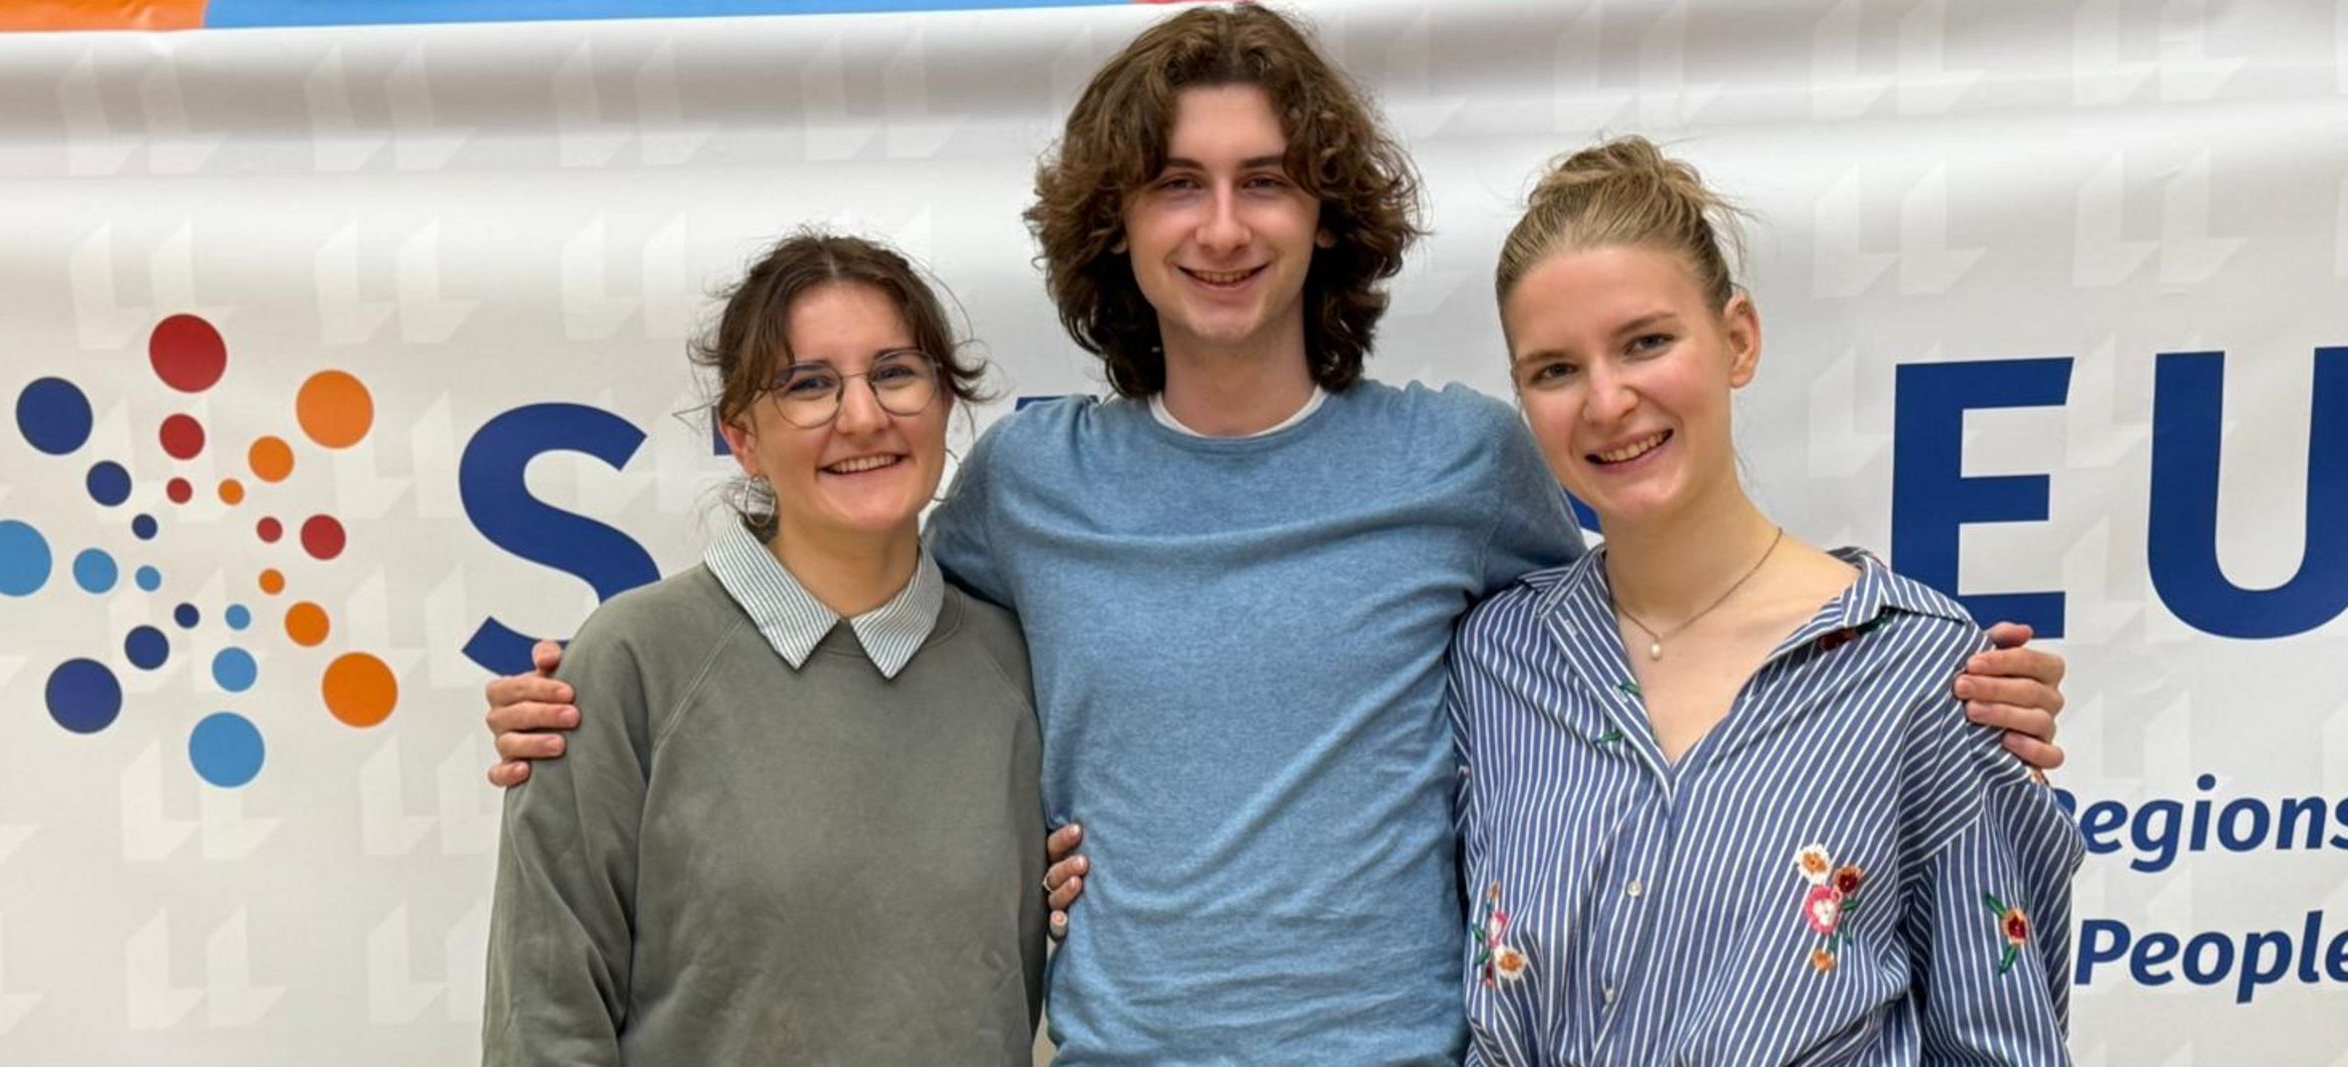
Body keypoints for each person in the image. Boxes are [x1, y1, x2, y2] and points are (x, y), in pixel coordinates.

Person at [481, 7, 2072, 1065]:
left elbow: (1663, 594)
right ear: (1121, 227)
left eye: (1263, 181)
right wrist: (599, 693)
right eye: (1177, 184)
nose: (1223, 225)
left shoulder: (1457, 459)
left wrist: (1908, 675)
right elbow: (846, 596)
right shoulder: (1033, 484)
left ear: (1329, 216)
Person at [1449, 138, 2079, 1064]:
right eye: (1555, 369)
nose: (1607, 399)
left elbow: (2002, 1044)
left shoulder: (1919, 669)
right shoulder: (1496, 659)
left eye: (1646, 342)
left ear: (1736, 339)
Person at [480, 232, 1047, 1066]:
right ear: (742, 437)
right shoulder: (632, 661)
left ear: (944, 402)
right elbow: (546, 1018)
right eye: (809, 384)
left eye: (895, 371)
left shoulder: (1023, 667)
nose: (863, 416)